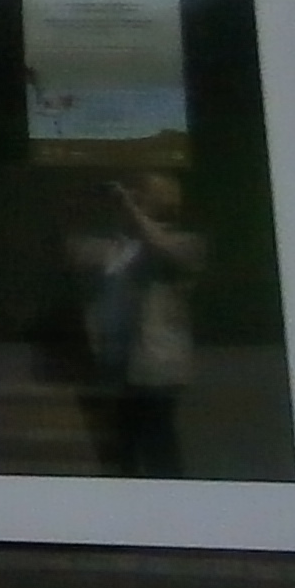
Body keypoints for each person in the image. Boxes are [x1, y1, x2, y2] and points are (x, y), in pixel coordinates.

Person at [62, 171, 207, 478]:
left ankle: (170, 508)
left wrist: (127, 204)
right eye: (134, 192)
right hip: (118, 363)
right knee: (123, 448)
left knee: (158, 443)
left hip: (157, 364)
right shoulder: (120, 247)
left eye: (143, 193)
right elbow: (72, 251)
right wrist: (82, 203)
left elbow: (159, 245)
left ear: (165, 202)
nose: (134, 195)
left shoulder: (187, 243)